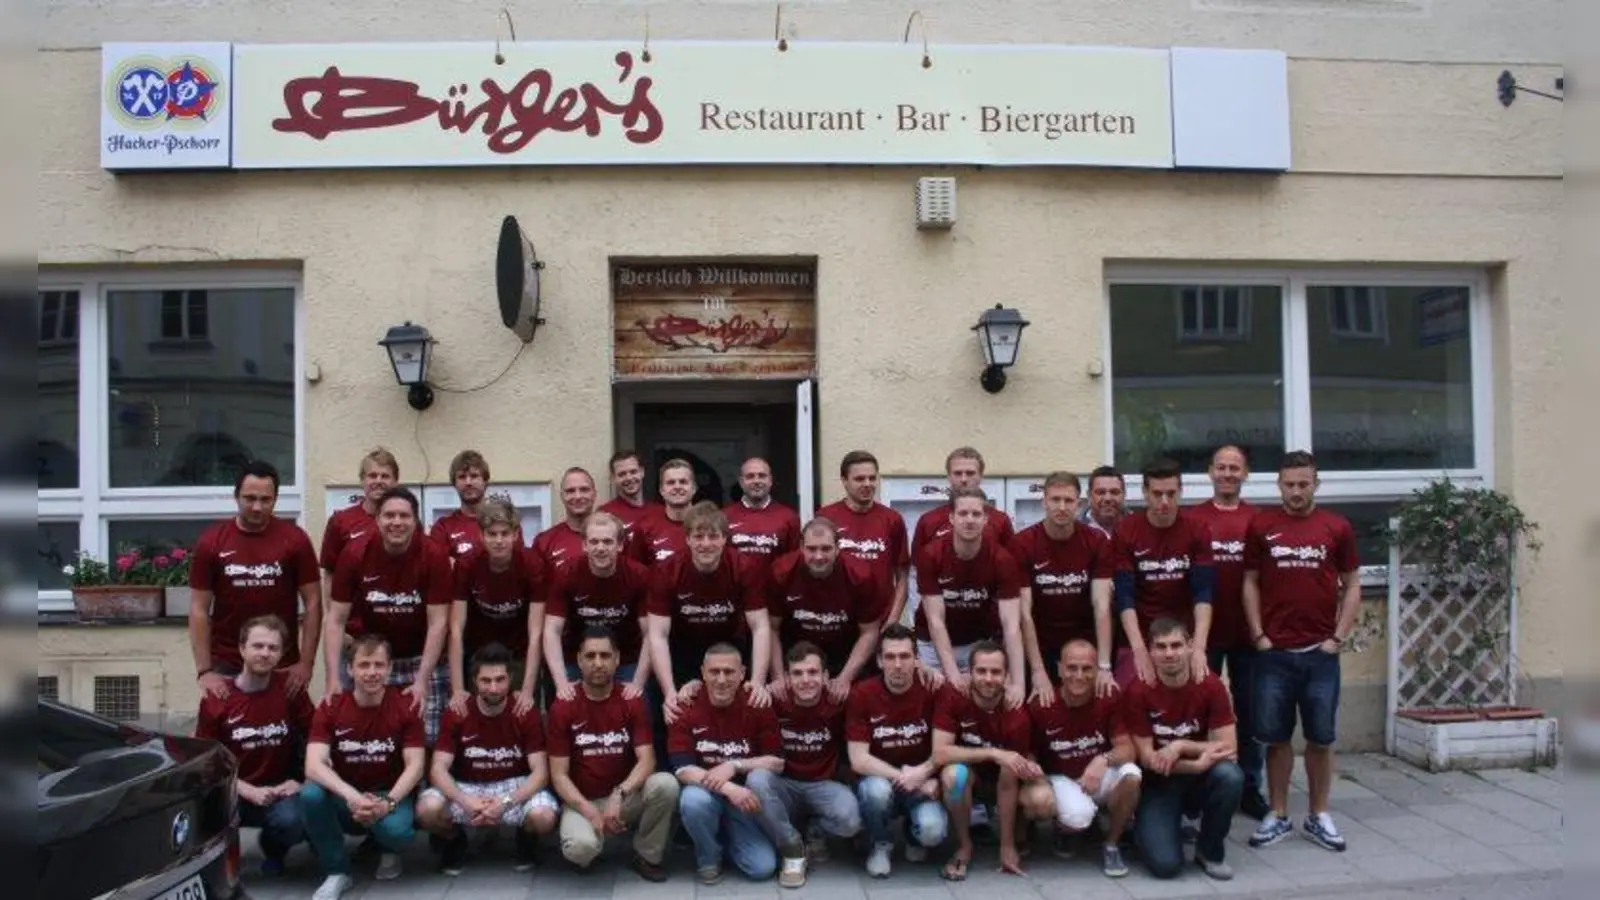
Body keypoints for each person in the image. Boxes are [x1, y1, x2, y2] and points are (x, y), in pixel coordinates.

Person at [1243, 450, 1361, 853]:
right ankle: (1277, 815)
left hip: (1320, 654)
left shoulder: (1336, 527)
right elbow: (1250, 582)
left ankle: (1318, 815)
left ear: (1316, 484)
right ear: (1279, 485)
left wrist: (1337, 638)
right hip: (1274, 653)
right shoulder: (1262, 526)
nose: (1296, 491)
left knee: (1321, 739)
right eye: (1289, 484)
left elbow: (1352, 585)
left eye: (1303, 484)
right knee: (1274, 739)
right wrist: (1259, 635)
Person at [546, 626, 680, 882]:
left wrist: (620, 794)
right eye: (591, 656)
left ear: (617, 659)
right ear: (579, 660)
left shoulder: (632, 701)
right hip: (581, 800)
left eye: (605, 656)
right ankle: (591, 839)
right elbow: (559, 776)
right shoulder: (563, 706)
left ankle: (646, 855)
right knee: (581, 850)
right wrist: (590, 811)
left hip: (624, 798)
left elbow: (647, 760)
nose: (598, 663)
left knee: (666, 784)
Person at [301, 635, 427, 899]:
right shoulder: (331, 706)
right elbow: (313, 765)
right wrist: (353, 797)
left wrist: (387, 803)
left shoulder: (406, 706)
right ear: (350, 669)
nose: (372, 673)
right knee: (311, 794)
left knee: (398, 833)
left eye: (379, 665)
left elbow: (415, 766)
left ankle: (388, 850)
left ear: (390, 668)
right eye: (364, 665)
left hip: (388, 794)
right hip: (346, 796)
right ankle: (337, 872)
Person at [325, 486, 452, 744]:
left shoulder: (434, 554)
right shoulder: (354, 553)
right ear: (377, 519)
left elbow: (438, 623)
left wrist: (422, 681)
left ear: (415, 521)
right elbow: (335, 620)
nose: (396, 522)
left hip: (422, 656)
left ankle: (426, 784)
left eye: (404, 516)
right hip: (375, 657)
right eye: (389, 515)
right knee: (374, 734)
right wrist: (332, 679)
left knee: (430, 737)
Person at [418, 643, 559, 875]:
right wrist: (465, 800)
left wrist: (506, 802)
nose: (493, 688)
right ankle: (454, 839)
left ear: (510, 678)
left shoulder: (524, 711)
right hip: (468, 785)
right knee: (427, 810)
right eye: (486, 681)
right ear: (474, 680)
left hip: (513, 784)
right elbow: (438, 770)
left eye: (500, 680)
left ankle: (526, 838)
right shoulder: (458, 711)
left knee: (543, 817)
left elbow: (541, 773)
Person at [189, 460, 322, 699]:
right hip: (227, 668)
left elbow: (313, 603)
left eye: (265, 499)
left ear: (275, 499)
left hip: (282, 666)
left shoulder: (295, 540)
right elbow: (199, 609)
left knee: (286, 735)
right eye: (249, 498)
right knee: (227, 735)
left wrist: (306, 664)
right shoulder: (211, 542)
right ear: (236, 497)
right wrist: (205, 670)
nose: (257, 507)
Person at [1124, 618, 1244, 881]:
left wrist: (1180, 746)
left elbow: (1229, 749)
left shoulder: (1211, 685)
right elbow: (1146, 758)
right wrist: (1195, 763)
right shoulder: (1138, 690)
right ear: (1151, 651)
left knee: (1231, 776)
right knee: (1166, 867)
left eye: (1176, 645)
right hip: (1159, 783)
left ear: (1190, 646)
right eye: (1161, 647)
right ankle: (1150, 828)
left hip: (1200, 779)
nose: (1169, 654)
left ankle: (1209, 851)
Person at [195, 615, 315, 875]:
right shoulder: (218, 698)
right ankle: (223, 861)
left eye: (273, 648)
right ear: (242, 649)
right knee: (204, 810)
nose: (265, 653)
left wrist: (302, 782)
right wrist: (246, 790)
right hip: (232, 791)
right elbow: (205, 761)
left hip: (278, 791)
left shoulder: (291, 691)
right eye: (258, 646)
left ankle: (274, 850)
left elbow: (317, 739)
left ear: (282, 654)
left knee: (294, 821)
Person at [1186, 445, 1269, 819]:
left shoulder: (1259, 519)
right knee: (1201, 714)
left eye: (1235, 468)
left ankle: (1251, 786)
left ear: (1246, 473)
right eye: (1221, 467)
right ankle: (1203, 784)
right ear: (1210, 472)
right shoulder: (1194, 519)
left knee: (1251, 715)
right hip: (1204, 637)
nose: (1228, 474)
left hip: (1247, 635)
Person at [1021, 639, 1141, 878]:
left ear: (1097, 670)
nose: (1079, 675)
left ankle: (1111, 843)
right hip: (1061, 777)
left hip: (1097, 774)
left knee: (1132, 774)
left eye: (1087, 668)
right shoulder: (1041, 704)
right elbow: (1028, 751)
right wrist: (1035, 772)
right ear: (1059, 669)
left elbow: (1128, 749)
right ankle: (1065, 829)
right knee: (1076, 815)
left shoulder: (1109, 698)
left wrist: (1103, 760)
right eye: (1072, 667)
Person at [668, 643, 784, 885]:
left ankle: (723, 837)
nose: (721, 679)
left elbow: (776, 763)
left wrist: (735, 765)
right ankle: (708, 856)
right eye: (714, 672)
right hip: (710, 795)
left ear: (742, 673)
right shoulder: (686, 704)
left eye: (729, 672)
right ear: (702, 672)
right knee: (692, 800)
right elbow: (682, 769)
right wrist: (729, 788)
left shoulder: (757, 703)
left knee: (763, 868)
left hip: (745, 802)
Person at [749, 642, 863, 888]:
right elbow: (734, 695)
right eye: (797, 673)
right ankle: (792, 848)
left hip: (823, 784)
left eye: (812, 672)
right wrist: (692, 688)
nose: (805, 680)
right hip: (784, 784)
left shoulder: (839, 700)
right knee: (757, 779)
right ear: (787, 678)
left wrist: (921, 667)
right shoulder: (772, 700)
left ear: (825, 677)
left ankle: (814, 830)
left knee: (851, 820)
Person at [646, 502, 772, 718]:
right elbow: (657, 635)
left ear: (724, 538)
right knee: (671, 708)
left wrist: (758, 681)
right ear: (687, 539)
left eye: (713, 537)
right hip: (683, 649)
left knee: (745, 708)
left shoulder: (745, 567)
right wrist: (669, 692)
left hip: (730, 646)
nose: (706, 544)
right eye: (698, 537)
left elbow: (760, 626)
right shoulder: (666, 571)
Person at [846, 624, 949, 878]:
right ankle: (880, 843)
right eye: (890, 657)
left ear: (917, 659)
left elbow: (945, 747)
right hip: (883, 780)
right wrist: (906, 777)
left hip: (923, 780)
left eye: (904, 656)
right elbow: (858, 760)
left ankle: (913, 838)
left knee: (933, 832)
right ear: (880, 661)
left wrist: (927, 774)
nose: (898, 664)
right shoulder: (863, 693)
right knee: (875, 791)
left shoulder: (933, 690)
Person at [930, 641, 1038, 880]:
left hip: (1002, 781)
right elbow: (940, 753)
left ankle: (1014, 838)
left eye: (996, 672)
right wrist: (993, 753)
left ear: (1006, 675)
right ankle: (964, 845)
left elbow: (1008, 782)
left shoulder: (1016, 713)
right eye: (981, 671)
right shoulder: (952, 695)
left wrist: (1006, 846)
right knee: (953, 775)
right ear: (969, 673)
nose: (988, 679)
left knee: (1014, 770)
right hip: (969, 777)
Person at [1007, 471, 1115, 701]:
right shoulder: (1022, 543)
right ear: (1044, 501)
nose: (1062, 507)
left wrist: (1104, 666)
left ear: (1080, 503)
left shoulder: (1096, 541)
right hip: (1041, 645)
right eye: (1055, 499)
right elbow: (1024, 613)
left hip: (1085, 645)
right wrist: (1037, 671)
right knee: (1041, 707)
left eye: (1069, 500)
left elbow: (1102, 605)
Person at [914, 487, 1026, 705]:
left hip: (978, 642)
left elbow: (1011, 625)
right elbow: (936, 621)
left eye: (976, 514)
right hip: (932, 643)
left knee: (983, 705)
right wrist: (953, 675)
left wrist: (1018, 682)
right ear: (951, 518)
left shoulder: (1003, 560)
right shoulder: (930, 555)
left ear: (986, 519)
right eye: (963, 514)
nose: (969, 520)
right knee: (940, 701)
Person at [1113, 459, 1216, 689]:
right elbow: (1124, 596)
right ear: (1144, 493)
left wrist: (1198, 648)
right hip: (1139, 635)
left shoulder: (1197, 528)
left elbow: (1203, 593)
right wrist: (1139, 650)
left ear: (1181, 491)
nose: (1164, 502)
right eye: (1157, 494)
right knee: (1133, 699)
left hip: (1182, 636)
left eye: (1171, 493)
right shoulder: (1126, 530)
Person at [765, 517, 886, 701]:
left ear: (838, 548)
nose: (819, 556)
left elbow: (869, 632)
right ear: (801, 547)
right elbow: (772, 628)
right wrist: (778, 675)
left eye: (826, 549)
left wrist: (845, 678)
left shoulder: (861, 575)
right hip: (796, 655)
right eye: (812, 549)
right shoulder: (781, 572)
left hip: (845, 653)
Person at [447, 500, 544, 718]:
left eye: (504, 533)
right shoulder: (468, 564)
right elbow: (455, 628)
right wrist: (457, 689)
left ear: (515, 534)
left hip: (518, 654)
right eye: (492, 534)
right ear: (481, 535)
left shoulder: (531, 564)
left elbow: (536, 632)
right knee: (478, 719)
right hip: (479, 654)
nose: (499, 540)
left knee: (522, 717)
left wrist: (527, 690)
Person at [544, 511, 653, 702]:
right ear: (584, 545)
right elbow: (551, 630)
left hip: (627, 658)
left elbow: (650, 633)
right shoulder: (565, 574)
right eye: (594, 542)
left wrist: (637, 683)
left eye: (607, 542)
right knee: (566, 708)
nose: (600, 548)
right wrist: (561, 683)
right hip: (576, 658)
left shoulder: (639, 576)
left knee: (638, 705)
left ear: (620, 545)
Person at [817, 450, 911, 627]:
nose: (867, 484)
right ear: (845, 481)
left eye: (872, 478)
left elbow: (903, 577)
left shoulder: (892, 520)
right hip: (836, 621)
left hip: (880, 622)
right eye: (859, 479)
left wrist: (893, 620)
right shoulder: (826, 518)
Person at [910, 446, 1015, 562]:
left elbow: (1010, 564)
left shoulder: (1001, 521)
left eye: (970, 473)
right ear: (949, 477)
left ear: (980, 477)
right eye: (958, 473)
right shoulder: (928, 521)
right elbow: (919, 567)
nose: (964, 479)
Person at [321, 448, 399, 592]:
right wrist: (331, 612)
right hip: (352, 612)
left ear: (395, 482)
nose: (378, 481)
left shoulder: (404, 522)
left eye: (385, 476)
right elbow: (330, 573)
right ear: (362, 480)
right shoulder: (340, 521)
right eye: (372, 476)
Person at [722, 456, 802, 578]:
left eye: (762, 476)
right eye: (750, 476)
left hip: (775, 594)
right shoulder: (724, 517)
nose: (756, 481)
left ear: (770, 480)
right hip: (735, 594)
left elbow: (795, 561)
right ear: (741, 482)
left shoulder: (789, 518)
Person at [429, 450, 506, 562]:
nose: (468, 482)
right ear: (454, 484)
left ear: (485, 481)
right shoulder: (442, 528)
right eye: (462, 477)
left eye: (474, 476)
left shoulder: (505, 522)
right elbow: (440, 570)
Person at [630, 458, 698, 566]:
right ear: (661, 490)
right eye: (671, 483)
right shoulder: (644, 528)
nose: (677, 486)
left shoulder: (711, 525)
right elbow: (636, 574)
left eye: (683, 482)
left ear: (694, 488)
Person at [531, 467, 597, 576]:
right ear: (562, 496)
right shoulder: (544, 542)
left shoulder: (612, 538)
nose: (578, 496)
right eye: (570, 491)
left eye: (584, 490)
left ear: (594, 494)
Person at [599, 449, 655, 538]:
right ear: (613, 478)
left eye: (633, 472)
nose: (628, 478)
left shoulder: (659, 512)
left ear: (642, 472)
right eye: (622, 474)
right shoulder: (605, 514)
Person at [1081, 466, 1128, 537]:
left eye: (1114, 492)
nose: (1108, 498)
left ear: (1124, 494)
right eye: (1101, 492)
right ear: (1089, 495)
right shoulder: (1073, 531)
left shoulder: (1138, 529)